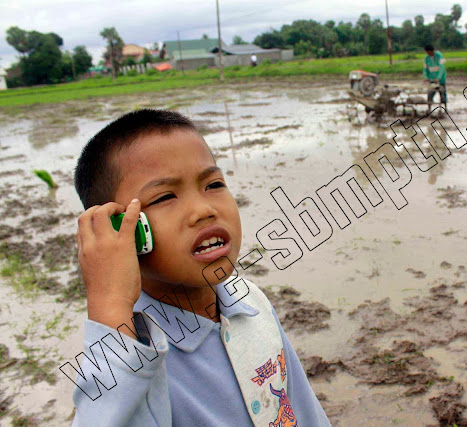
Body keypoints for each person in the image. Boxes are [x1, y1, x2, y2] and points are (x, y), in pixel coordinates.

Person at [70, 109, 330, 426]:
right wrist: (109, 303)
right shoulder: (132, 356)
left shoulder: (251, 302)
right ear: (120, 230)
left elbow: (303, 409)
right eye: (165, 196)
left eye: (213, 184)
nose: (204, 210)